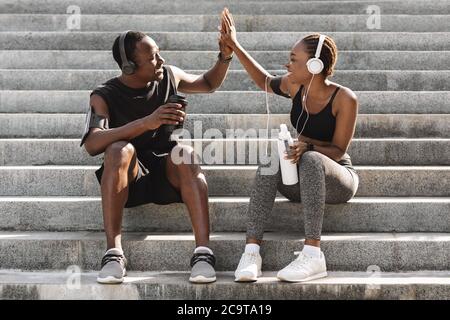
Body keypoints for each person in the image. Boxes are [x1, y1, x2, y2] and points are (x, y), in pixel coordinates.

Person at [81, 30, 233, 284]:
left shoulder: (169, 75)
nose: (161, 60)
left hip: (167, 173)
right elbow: (93, 143)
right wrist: (147, 122)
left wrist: (225, 56)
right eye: (153, 57)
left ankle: (203, 254)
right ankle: (114, 254)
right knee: (120, 150)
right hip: (129, 177)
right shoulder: (104, 94)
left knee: (185, 153)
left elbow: (208, 83)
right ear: (129, 67)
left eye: (159, 53)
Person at [219, 8, 359, 282]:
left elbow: (339, 150)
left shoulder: (345, 99)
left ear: (314, 65)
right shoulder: (296, 88)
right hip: (302, 178)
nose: (287, 65)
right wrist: (234, 45)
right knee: (272, 159)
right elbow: (263, 81)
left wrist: (308, 148)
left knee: (311, 160)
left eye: (294, 59)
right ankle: (251, 252)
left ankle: (313, 254)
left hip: (337, 179)